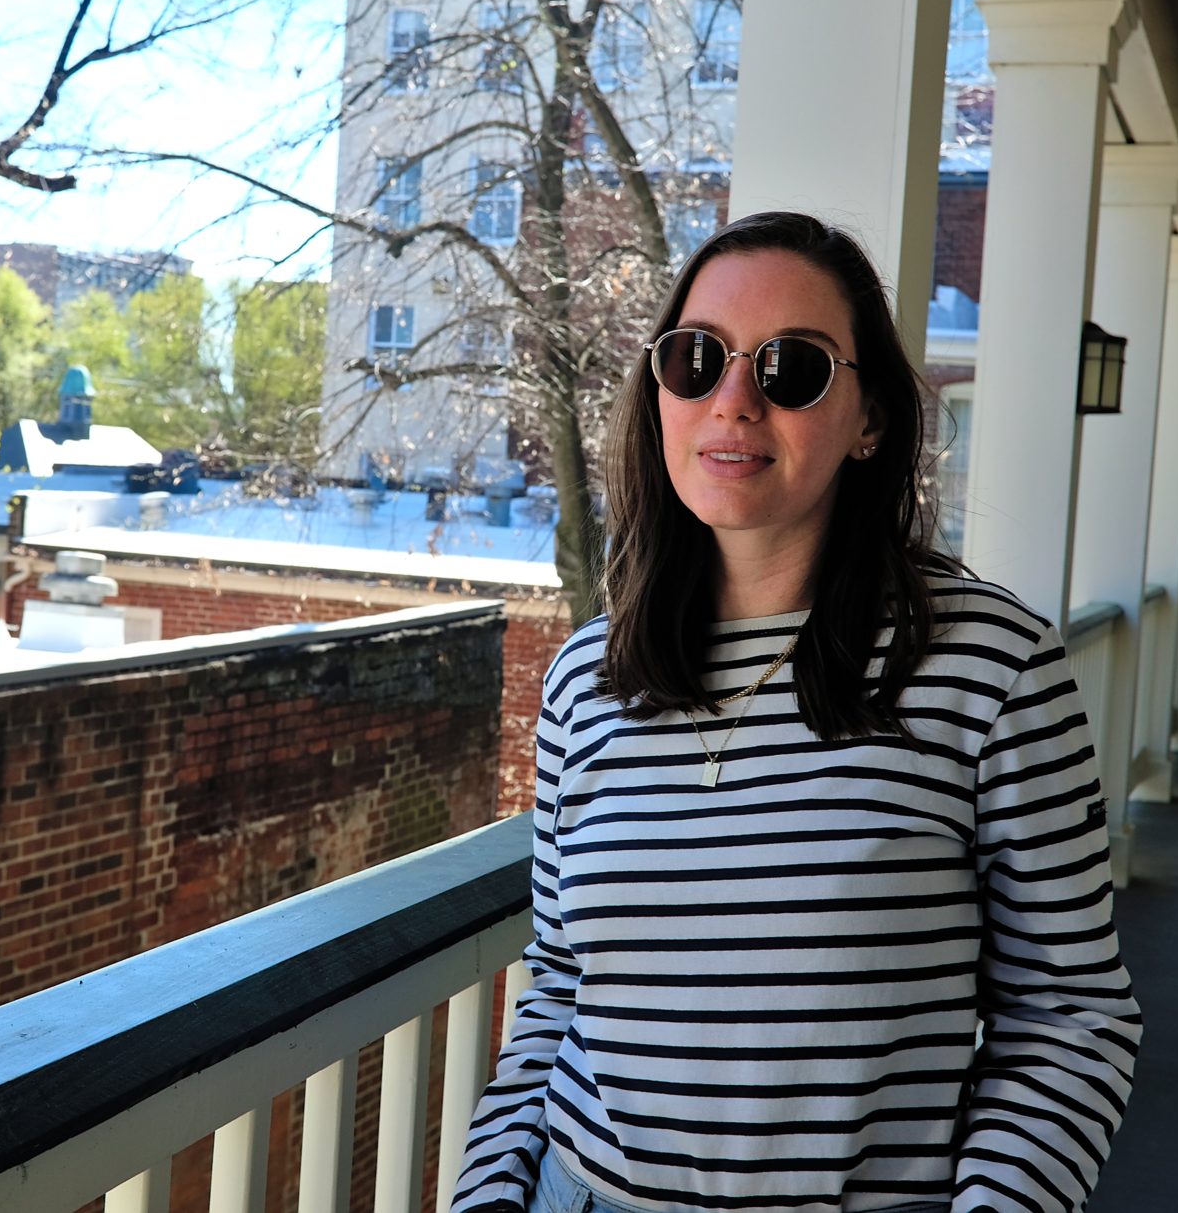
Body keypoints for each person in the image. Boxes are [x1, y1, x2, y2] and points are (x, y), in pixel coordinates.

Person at [451, 212, 1138, 1213]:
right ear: (658, 396)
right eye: (694, 360)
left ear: (867, 420)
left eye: (792, 369)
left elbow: (1068, 1015)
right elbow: (558, 984)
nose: (731, 401)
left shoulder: (989, 668)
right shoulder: (585, 680)